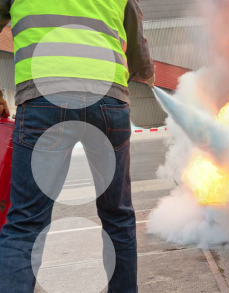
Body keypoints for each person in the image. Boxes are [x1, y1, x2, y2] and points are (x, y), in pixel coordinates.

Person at [0, 0, 155, 292]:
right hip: (107, 98)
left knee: (25, 224)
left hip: (42, 97)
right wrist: (143, 71)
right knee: (118, 217)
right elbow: (136, 43)